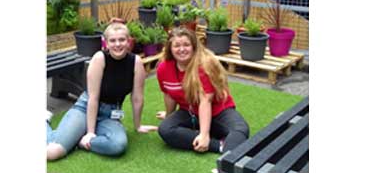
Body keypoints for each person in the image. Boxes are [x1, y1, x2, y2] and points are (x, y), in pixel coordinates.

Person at [46, 19, 157, 161]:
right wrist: (91, 132)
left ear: (129, 41)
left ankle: (79, 140)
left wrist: (138, 125)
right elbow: (93, 98)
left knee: (118, 145)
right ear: (106, 42)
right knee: (53, 152)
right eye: (113, 40)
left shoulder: (136, 62)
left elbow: (137, 98)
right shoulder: (100, 58)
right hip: (85, 109)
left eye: (122, 40)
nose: (117, 44)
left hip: (110, 115)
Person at [155, 27, 250, 153]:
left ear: (194, 47)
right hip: (190, 112)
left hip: (218, 111)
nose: (182, 49)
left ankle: (214, 145)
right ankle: (220, 145)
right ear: (170, 48)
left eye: (186, 45)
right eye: (177, 45)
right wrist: (169, 115)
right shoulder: (163, 68)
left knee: (240, 129)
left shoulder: (204, 66)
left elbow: (205, 101)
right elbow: (169, 94)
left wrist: (204, 134)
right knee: (165, 129)